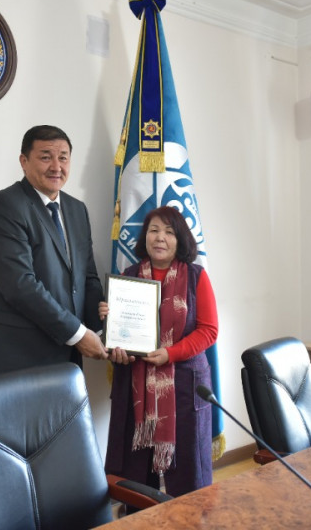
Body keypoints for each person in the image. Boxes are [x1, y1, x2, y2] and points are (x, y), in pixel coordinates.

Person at [0, 125, 109, 375]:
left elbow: (87, 277)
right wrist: (78, 334)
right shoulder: (6, 206)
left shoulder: (77, 209)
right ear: (24, 161)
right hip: (14, 354)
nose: (56, 166)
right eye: (45, 157)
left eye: (63, 157)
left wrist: (103, 333)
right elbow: (20, 285)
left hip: (65, 355)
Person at [100, 205, 219, 498]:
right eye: (153, 230)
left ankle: (191, 519)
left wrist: (171, 353)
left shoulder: (196, 277)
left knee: (190, 475)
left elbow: (209, 330)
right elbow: (118, 338)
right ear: (145, 237)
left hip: (185, 385)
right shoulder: (128, 277)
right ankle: (140, 517)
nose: (160, 237)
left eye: (168, 232)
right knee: (135, 476)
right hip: (136, 387)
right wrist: (110, 324)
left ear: (180, 239)